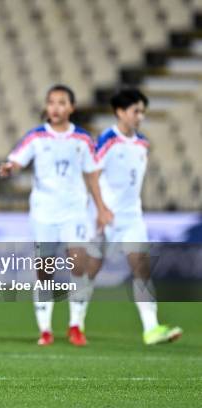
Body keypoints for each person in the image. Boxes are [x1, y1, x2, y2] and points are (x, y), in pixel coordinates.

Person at [0, 84, 113, 346]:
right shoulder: (36, 137)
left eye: (61, 103)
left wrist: (101, 207)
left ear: (71, 108)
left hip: (74, 211)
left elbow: (92, 174)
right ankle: (45, 329)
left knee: (78, 264)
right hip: (43, 212)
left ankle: (76, 325)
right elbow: (17, 160)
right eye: (51, 102)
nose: (55, 108)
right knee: (44, 270)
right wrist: (9, 168)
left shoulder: (83, 139)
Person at [83, 89, 182, 345]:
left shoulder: (142, 143)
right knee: (91, 270)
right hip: (106, 217)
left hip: (131, 218)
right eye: (135, 111)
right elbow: (92, 174)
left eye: (142, 111)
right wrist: (101, 209)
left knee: (141, 268)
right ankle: (76, 323)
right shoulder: (108, 139)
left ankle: (151, 328)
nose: (140, 116)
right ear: (120, 112)